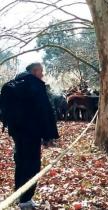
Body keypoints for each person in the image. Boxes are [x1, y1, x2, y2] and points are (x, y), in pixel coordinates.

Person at [11, 63, 59, 209]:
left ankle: (18, 195)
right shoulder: (35, 85)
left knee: (20, 162)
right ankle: (26, 200)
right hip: (32, 133)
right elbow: (44, 111)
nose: (42, 75)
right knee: (32, 165)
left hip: (17, 131)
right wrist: (48, 136)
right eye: (41, 71)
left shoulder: (14, 84)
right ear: (35, 71)